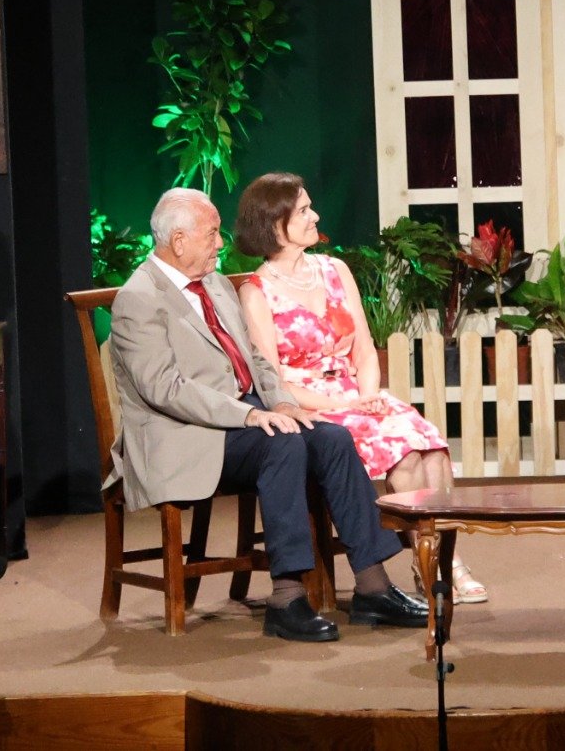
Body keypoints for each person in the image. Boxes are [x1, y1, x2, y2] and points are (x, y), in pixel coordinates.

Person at [108, 188, 428, 642]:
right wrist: (248, 416)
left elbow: (257, 361)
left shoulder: (216, 284)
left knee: (331, 438)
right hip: (185, 434)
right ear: (178, 241)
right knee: (282, 443)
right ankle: (286, 596)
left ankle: (373, 588)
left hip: (246, 417)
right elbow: (166, 389)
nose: (221, 244)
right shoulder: (139, 298)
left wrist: (280, 403)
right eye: (212, 234)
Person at [234, 173, 488, 604]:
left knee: (429, 445)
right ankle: (431, 565)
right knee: (404, 453)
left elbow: (366, 351)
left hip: (357, 394)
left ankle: (445, 559)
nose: (315, 216)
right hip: (310, 404)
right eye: (303, 211)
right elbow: (273, 380)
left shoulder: (335, 271)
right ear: (275, 225)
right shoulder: (256, 292)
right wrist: (344, 402)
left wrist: (367, 394)